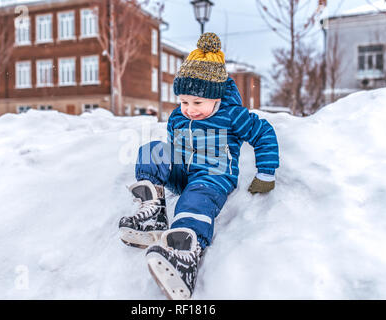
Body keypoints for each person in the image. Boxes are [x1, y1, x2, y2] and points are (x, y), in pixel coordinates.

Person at [119, 32, 280, 300]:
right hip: (184, 170)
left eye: (197, 103)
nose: (190, 109)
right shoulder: (177, 117)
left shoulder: (232, 115)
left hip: (214, 175)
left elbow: (263, 133)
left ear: (216, 98)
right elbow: (171, 146)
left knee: (195, 199)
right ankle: (152, 212)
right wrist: (167, 164)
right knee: (152, 150)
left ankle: (184, 252)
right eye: (183, 102)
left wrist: (266, 173)